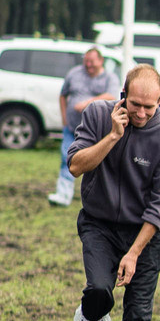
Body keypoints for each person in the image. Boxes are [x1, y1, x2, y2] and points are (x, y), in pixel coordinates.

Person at [65, 64, 160, 321]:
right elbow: (76, 166)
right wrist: (113, 136)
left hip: (144, 233)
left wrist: (133, 253)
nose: (142, 113)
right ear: (123, 96)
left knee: (137, 319)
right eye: (135, 105)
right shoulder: (99, 116)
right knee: (99, 293)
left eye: (150, 107)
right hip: (98, 224)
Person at [52, 48, 121, 207]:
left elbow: (111, 96)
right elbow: (63, 95)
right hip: (72, 127)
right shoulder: (74, 73)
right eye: (86, 61)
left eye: (92, 62)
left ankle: (100, 198)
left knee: (99, 163)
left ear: (101, 61)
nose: (88, 65)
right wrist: (64, 118)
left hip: (97, 131)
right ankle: (63, 195)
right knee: (67, 158)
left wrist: (87, 103)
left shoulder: (109, 78)